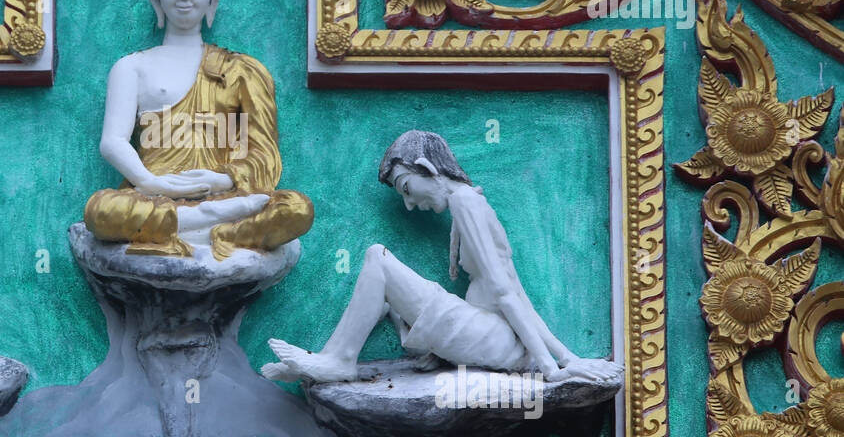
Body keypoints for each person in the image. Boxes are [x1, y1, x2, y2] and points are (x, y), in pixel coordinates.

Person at [261, 130, 622, 384]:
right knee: (385, 281)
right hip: (493, 334)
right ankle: (333, 359)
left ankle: (339, 359)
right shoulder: (468, 201)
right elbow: (514, 291)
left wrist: (552, 366)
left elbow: (505, 290)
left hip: (491, 337)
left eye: (406, 188)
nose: (408, 203)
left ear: (428, 168)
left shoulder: (466, 202)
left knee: (378, 259)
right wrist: (565, 357)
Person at [84, 0, 312, 260]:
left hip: (222, 194)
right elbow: (112, 142)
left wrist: (221, 179)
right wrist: (152, 183)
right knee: (100, 211)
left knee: (297, 208)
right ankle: (205, 224)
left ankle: (217, 228)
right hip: (154, 197)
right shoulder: (130, 67)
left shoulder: (241, 70)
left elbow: (264, 155)